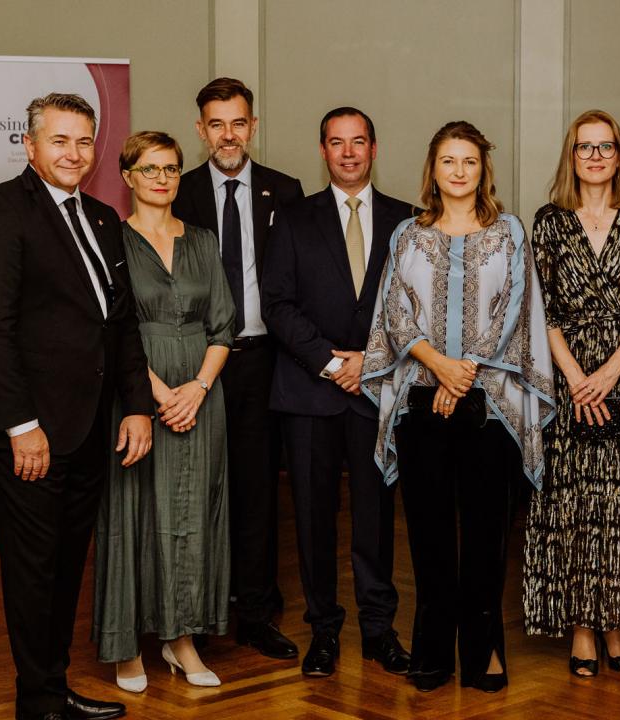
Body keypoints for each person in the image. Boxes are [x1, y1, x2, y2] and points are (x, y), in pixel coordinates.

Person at [0, 92, 152, 720]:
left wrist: (139, 406)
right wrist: (23, 426)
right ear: (30, 145)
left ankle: (53, 688)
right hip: (25, 434)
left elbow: (118, 326)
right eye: (60, 140)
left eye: (84, 141)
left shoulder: (99, 217)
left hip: (87, 427)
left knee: (66, 568)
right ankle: (36, 701)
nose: (74, 153)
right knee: (34, 570)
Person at [361, 121, 554, 693]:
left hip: (490, 407)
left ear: (482, 169)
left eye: (469, 160)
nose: (460, 171)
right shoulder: (407, 236)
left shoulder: (510, 232)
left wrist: (462, 371)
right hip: (423, 405)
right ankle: (432, 650)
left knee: (487, 533)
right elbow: (395, 312)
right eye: (449, 160)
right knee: (428, 534)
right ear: (434, 169)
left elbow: (513, 307)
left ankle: (484, 650)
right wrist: (439, 368)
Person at [261, 107, 415, 678]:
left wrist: (367, 362)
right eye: (336, 143)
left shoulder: (407, 222)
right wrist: (331, 362)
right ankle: (323, 631)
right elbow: (276, 304)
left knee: (376, 520)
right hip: (308, 392)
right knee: (312, 517)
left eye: (358, 142)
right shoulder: (292, 219)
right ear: (322, 150)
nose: (348, 152)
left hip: (378, 392)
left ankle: (379, 632)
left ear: (374, 148)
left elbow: (414, 310)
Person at [523, 109, 620, 677]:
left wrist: (608, 371)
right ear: (571, 155)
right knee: (575, 504)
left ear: (619, 154)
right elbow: (541, 308)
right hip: (566, 379)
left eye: (606, 146)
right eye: (585, 147)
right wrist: (576, 375)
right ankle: (581, 629)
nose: (595, 156)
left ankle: (618, 626)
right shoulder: (550, 221)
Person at [90, 131, 234, 692]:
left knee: (194, 514)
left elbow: (223, 327)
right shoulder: (110, 241)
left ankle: (181, 639)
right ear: (126, 176)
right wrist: (152, 391)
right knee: (131, 513)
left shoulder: (201, 239)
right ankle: (127, 645)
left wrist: (197, 387)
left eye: (171, 169)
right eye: (149, 169)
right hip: (136, 393)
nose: (161, 179)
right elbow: (109, 330)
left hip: (202, 394)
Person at [170, 77, 304, 661]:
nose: (229, 134)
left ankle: (253, 613)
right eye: (216, 124)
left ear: (253, 126)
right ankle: (196, 616)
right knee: (195, 490)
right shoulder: (181, 190)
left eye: (239, 122)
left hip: (262, 362)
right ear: (201, 130)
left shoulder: (286, 190)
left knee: (255, 492)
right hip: (196, 365)